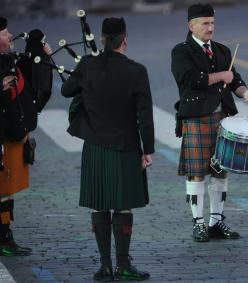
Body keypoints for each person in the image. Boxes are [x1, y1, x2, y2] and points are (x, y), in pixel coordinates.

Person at [61, 17, 154, 281]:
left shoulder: (88, 65)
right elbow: (144, 115)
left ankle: (104, 266)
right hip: (125, 146)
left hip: (94, 146)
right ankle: (123, 264)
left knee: (99, 205)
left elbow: (67, 91)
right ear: (125, 40)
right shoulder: (137, 71)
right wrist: (148, 150)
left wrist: (82, 69)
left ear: (102, 40)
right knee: (123, 206)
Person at [171, 4, 248, 243]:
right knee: (197, 173)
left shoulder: (221, 50)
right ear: (191, 26)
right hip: (197, 118)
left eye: (212, 23)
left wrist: (245, 93)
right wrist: (222, 76)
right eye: (205, 23)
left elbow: (236, 81)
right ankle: (198, 224)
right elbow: (191, 79)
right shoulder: (181, 52)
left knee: (221, 171)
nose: (210, 28)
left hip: (224, 120)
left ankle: (216, 222)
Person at [0, 17, 51, 256]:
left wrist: (43, 56)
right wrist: (19, 132)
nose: (10, 36)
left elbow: (37, 85)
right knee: (3, 189)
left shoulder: (9, 61)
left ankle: (5, 236)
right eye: (5, 33)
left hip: (10, 135)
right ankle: (3, 239)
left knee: (5, 190)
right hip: (6, 136)